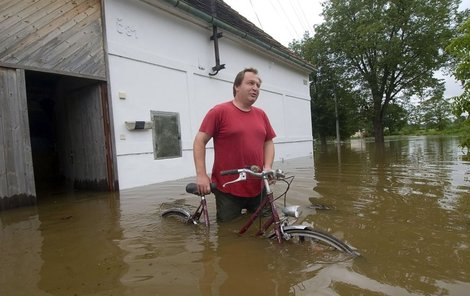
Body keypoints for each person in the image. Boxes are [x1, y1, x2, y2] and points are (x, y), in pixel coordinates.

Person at [193, 67, 276, 222]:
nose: (255, 88)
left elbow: (268, 142)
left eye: (258, 85)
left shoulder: (261, 114)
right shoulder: (219, 111)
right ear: (237, 86)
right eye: (250, 83)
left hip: (258, 185)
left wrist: (268, 167)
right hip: (228, 188)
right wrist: (201, 175)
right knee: (228, 234)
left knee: (267, 226)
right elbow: (199, 141)